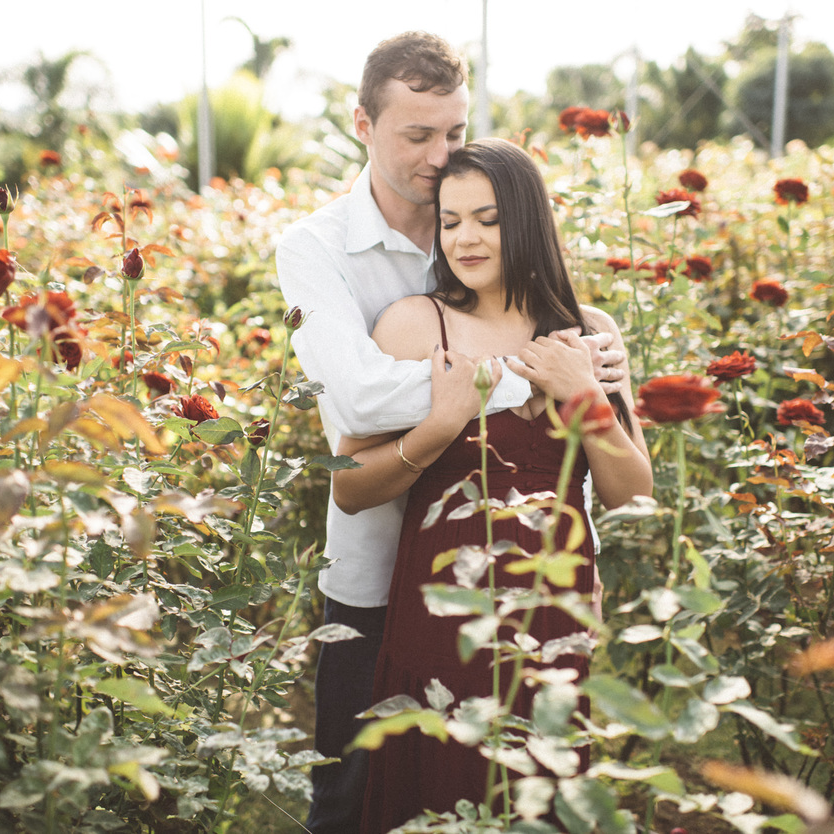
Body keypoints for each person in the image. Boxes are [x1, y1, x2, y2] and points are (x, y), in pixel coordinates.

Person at [276, 33, 625, 834]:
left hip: (527, 570)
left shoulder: (477, 217)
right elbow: (360, 399)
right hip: (379, 565)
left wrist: (591, 363)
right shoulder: (318, 249)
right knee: (357, 791)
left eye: (456, 132)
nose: (440, 156)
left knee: (523, 782)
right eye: (417, 135)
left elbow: (550, 318)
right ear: (362, 125)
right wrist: (540, 371)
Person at [330, 138, 653, 832]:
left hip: (555, 608)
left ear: (527, 220)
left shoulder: (589, 332)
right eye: (449, 222)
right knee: (445, 780)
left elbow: (634, 494)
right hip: (445, 607)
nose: (465, 239)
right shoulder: (417, 324)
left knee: (539, 785)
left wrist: (582, 395)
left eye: (488, 219)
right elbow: (350, 488)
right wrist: (440, 426)